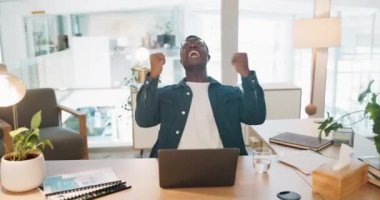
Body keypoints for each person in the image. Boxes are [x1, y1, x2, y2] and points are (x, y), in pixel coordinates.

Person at [135, 35, 266, 157]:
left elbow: (256, 117)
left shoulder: (231, 93)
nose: (192, 46)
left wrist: (246, 75)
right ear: (181, 61)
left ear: (208, 57)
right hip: (175, 165)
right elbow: (144, 120)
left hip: (224, 165)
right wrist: (153, 76)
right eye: (186, 46)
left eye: (199, 44)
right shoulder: (166, 94)